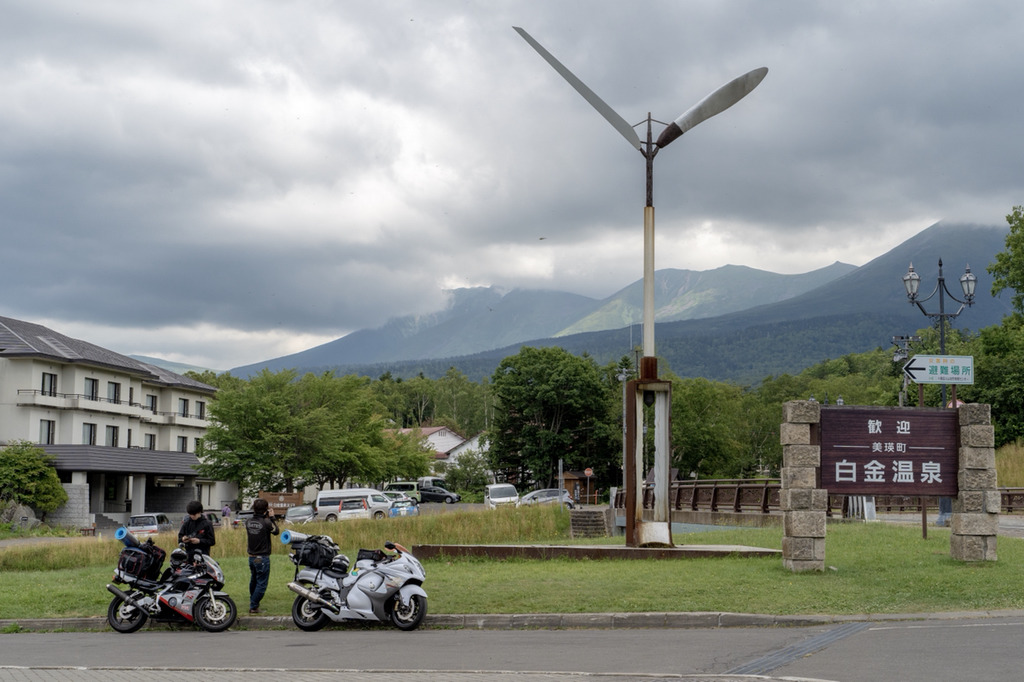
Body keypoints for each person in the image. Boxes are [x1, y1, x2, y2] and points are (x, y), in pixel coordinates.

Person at [245, 498, 279, 615]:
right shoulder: (266, 522)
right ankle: (253, 606)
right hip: (262, 557)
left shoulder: (248, 521)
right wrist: (272, 517)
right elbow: (276, 531)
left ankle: (253, 602)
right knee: (261, 583)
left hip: (251, 556)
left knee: (254, 580)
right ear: (266, 510)